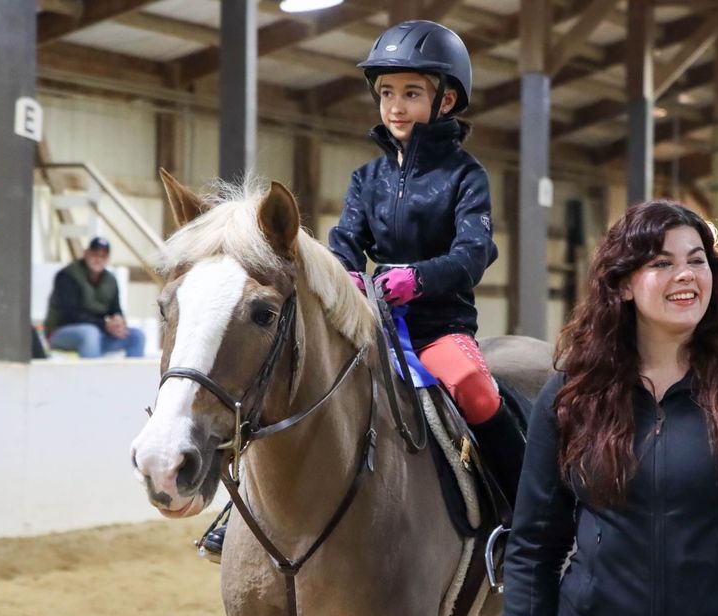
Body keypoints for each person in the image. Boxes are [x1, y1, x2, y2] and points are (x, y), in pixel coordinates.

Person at [196, 20, 523, 562]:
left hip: (438, 327)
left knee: (477, 389)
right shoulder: (365, 180)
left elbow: (474, 253)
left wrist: (418, 278)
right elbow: (344, 240)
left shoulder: (467, 177)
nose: (395, 105)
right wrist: (346, 272)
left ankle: (522, 515)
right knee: (295, 389)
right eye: (387, 93)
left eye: (411, 93)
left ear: (445, 101)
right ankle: (237, 509)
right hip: (371, 321)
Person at [503, 201, 718, 616]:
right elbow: (533, 549)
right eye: (662, 262)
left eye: (696, 260)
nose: (684, 274)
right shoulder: (572, 395)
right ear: (623, 283)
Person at [44, 236, 145, 358]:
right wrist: (105, 325)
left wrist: (119, 322)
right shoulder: (67, 276)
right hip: (60, 333)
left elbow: (115, 309)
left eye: (103, 256)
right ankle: (91, 377)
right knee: (90, 333)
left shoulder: (110, 280)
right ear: (86, 254)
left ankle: (131, 377)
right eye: (95, 254)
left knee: (137, 336)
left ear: (107, 259)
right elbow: (70, 314)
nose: (98, 259)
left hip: (98, 334)